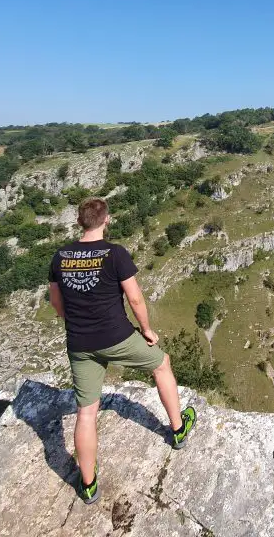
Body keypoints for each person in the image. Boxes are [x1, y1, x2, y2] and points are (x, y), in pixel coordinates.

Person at [48, 197, 197, 505]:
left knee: (86, 412)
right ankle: (178, 429)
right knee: (162, 364)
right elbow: (136, 300)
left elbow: (56, 303)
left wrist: (74, 321)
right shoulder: (114, 254)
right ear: (107, 220)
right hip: (116, 336)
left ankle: (88, 483)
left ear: (80, 222)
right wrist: (146, 330)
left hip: (79, 343)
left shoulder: (60, 257)